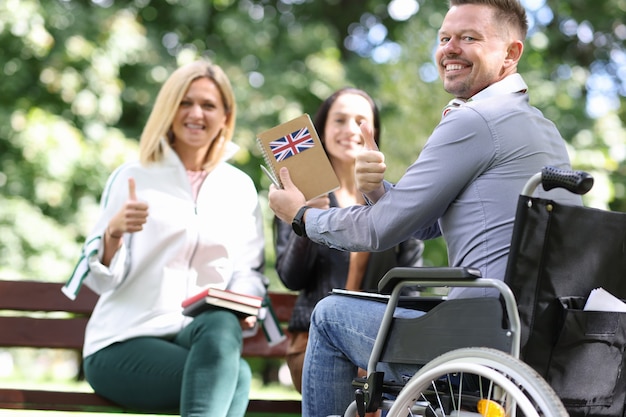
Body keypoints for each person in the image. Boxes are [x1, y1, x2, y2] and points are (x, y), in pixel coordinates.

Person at [268, 0, 583, 415]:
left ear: (510, 54)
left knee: (329, 315)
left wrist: (301, 217)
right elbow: (430, 225)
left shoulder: (476, 120)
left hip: (479, 332)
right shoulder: (543, 128)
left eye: (469, 38)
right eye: (444, 38)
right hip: (540, 333)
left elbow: (378, 231)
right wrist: (378, 189)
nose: (450, 48)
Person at [62, 60, 268, 416]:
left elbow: (248, 270)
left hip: (198, 339)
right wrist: (114, 232)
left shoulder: (240, 187)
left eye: (208, 105)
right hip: (122, 341)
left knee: (221, 323)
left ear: (225, 115)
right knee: (236, 379)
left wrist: (244, 303)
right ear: (169, 109)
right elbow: (100, 280)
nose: (196, 114)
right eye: (185, 102)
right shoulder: (134, 175)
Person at [273, 87, 424, 392]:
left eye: (360, 121)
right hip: (314, 341)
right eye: (339, 120)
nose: (350, 130)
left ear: (374, 132)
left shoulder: (393, 199)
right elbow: (291, 278)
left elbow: (412, 288)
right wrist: (305, 220)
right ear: (322, 131)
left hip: (377, 342)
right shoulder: (296, 194)